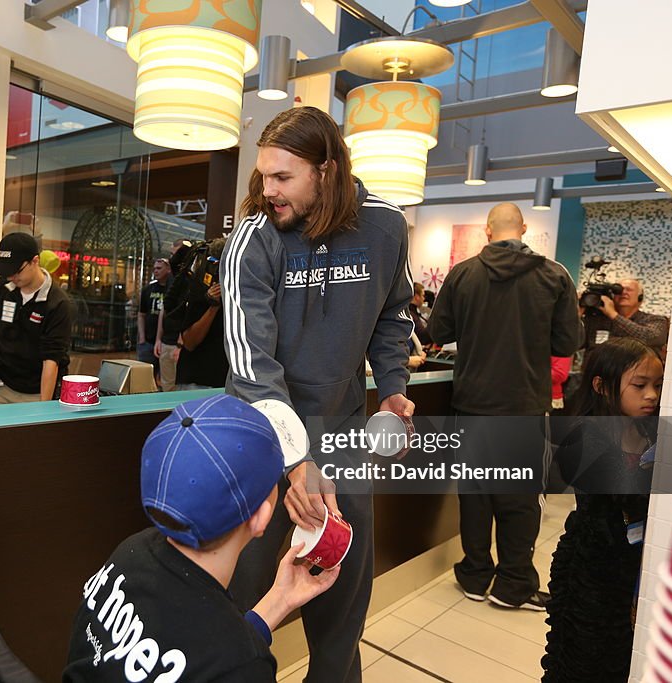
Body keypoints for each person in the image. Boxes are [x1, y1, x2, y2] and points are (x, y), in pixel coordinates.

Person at [221, 106, 415, 683]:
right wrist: (295, 459)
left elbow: (393, 315)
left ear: (326, 171)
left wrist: (392, 391)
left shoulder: (385, 227)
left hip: (343, 438)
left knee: (341, 601)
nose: (266, 189)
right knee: (243, 595)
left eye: (282, 177)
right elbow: (252, 363)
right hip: (261, 442)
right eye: (263, 175)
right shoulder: (254, 238)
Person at [63, 394, 339, 681]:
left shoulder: (129, 554)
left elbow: (196, 652)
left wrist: (279, 601)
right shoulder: (245, 665)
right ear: (261, 518)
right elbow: (216, 657)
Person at [427, 202, 581, 611]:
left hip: (471, 404)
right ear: (524, 229)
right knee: (519, 500)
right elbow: (567, 343)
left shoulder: (462, 274)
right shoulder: (554, 276)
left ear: (488, 231)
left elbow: (438, 331)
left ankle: (476, 574)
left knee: (474, 495)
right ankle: (513, 584)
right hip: (523, 406)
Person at [542, 338, 661, 682]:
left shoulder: (643, 428)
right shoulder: (585, 436)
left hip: (627, 565)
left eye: (657, 385)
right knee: (585, 655)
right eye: (640, 385)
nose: (651, 395)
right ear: (601, 385)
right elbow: (629, 495)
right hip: (592, 565)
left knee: (620, 654)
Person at [0, 232, 73, 404]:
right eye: (6, 272)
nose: (11, 277)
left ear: (34, 261)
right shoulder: (3, 286)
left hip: (36, 390)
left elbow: (51, 361)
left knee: (27, 431)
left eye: (16, 271)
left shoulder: (58, 303)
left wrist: (44, 406)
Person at [175, 239, 228, 390]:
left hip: (226, 381)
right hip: (197, 380)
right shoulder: (200, 290)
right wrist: (213, 306)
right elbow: (190, 342)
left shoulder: (243, 294)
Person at [582, 278, 668, 355]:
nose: (623, 292)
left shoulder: (655, 320)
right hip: (595, 371)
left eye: (629, 290)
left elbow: (649, 338)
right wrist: (577, 313)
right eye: (618, 290)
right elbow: (575, 344)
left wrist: (613, 314)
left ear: (640, 298)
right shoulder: (597, 320)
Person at [154, 241, 194, 391]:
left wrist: (180, 344)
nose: (171, 258)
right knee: (167, 386)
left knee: (178, 388)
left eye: (174, 254)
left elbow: (188, 313)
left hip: (179, 343)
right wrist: (159, 338)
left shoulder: (190, 278)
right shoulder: (173, 278)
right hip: (167, 341)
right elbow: (165, 308)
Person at [137, 258, 170, 382]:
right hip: (148, 341)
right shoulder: (148, 289)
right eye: (154, 268)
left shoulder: (172, 289)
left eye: (159, 268)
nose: (156, 271)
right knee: (145, 378)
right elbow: (141, 314)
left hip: (166, 341)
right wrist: (142, 337)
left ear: (168, 269)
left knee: (165, 378)